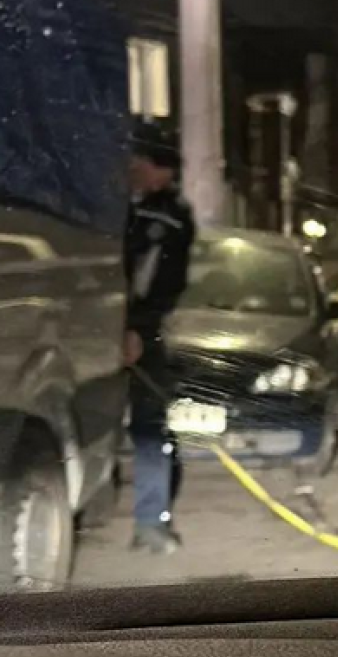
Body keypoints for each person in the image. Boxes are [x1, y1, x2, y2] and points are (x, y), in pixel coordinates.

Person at [123, 123, 195, 555]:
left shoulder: (161, 217)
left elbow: (153, 280)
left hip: (137, 333)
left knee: (151, 429)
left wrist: (135, 327)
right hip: (128, 329)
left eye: (140, 163)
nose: (132, 168)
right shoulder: (143, 208)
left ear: (160, 169)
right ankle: (150, 521)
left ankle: (151, 523)